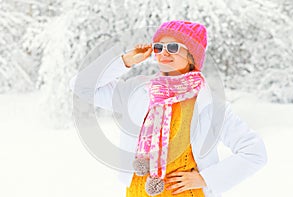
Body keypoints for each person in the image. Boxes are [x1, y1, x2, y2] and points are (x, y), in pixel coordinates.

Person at [69, 20, 267, 197]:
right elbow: (81, 86)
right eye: (158, 47)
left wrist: (207, 178)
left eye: (172, 47)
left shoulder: (210, 105)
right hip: (138, 193)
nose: (163, 53)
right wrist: (126, 61)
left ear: (192, 57)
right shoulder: (137, 91)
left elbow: (254, 151)